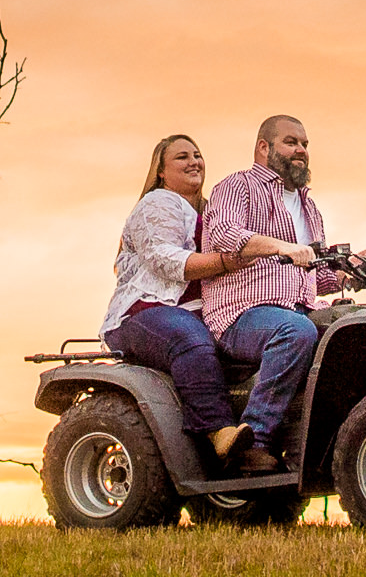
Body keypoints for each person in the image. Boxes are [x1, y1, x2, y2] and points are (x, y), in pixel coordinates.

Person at [103, 133, 308, 469]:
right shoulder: (157, 204)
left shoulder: (211, 208)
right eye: (182, 157)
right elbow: (165, 259)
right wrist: (227, 261)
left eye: (197, 155)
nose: (194, 162)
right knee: (189, 338)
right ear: (161, 172)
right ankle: (219, 432)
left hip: (196, 311)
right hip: (148, 310)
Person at [198, 114, 342, 476]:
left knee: (350, 328)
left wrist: (352, 268)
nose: (301, 151)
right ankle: (254, 442)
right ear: (264, 147)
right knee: (295, 332)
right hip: (241, 313)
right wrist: (282, 246)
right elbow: (224, 234)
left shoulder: (310, 207)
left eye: (305, 144)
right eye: (291, 142)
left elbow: (318, 276)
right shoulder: (238, 186)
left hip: (299, 308)